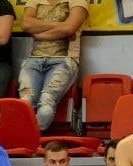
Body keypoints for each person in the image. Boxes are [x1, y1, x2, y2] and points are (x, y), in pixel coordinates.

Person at [19, 0, 89, 131]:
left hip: (64, 62)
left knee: (46, 101)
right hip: (33, 61)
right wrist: (59, 25)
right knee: (25, 101)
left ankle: (31, 138)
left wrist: (39, 34)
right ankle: (26, 139)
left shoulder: (78, 1)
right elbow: (26, 24)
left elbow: (69, 28)